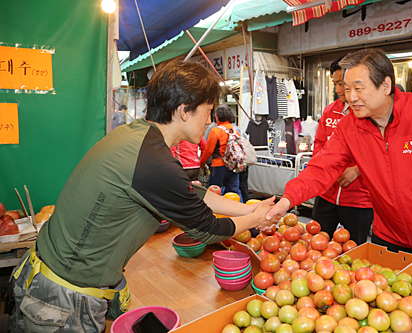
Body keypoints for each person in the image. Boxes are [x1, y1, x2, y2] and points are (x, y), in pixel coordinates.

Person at [10, 60, 279, 332]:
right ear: (184, 111)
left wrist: (246, 210)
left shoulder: (136, 136)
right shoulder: (151, 160)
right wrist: (257, 218)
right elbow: (207, 229)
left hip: (47, 277)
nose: (209, 121)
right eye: (207, 111)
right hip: (62, 300)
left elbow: (190, 193)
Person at [266, 48, 412, 269]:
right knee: (385, 298)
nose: (351, 97)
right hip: (388, 233)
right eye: (347, 89)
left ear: (385, 85)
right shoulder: (349, 126)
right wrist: (287, 199)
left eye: (359, 88)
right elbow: (321, 167)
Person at [311, 58, 373, 244]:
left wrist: (357, 170)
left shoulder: (370, 113)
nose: (338, 90)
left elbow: (382, 152)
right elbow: (319, 143)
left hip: (359, 200)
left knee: (355, 252)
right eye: (336, 84)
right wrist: (323, 170)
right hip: (326, 195)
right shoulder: (330, 111)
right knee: (315, 245)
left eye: (341, 84)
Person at [200, 104, 243, 199]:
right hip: (233, 164)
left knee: (214, 191)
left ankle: (213, 211)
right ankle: (240, 209)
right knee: (234, 190)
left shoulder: (215, 130)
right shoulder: (234, 129)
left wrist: (202, 163)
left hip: (219, 165)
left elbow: (208, 150)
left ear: (217, 116)